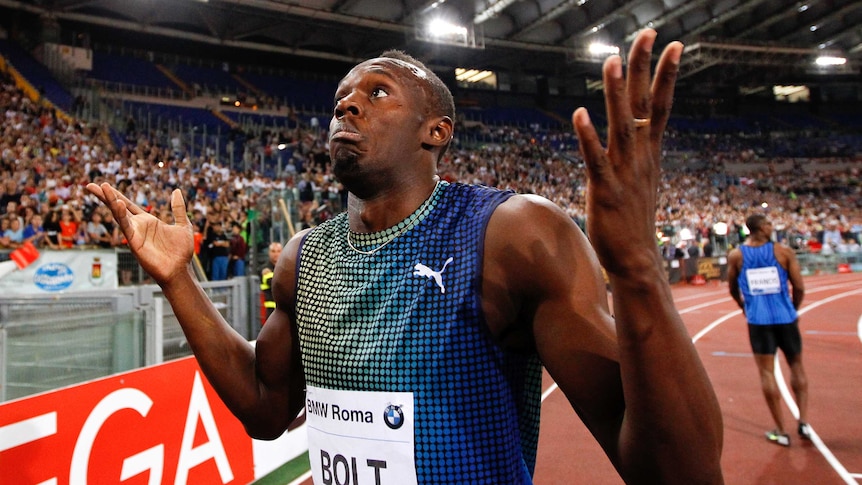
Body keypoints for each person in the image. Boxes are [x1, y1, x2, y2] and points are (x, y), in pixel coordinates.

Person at [87, 29, 723, 484]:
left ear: (435, 131)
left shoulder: (511, 235)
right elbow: (265, 406)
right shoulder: (305, 257)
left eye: (378, 92)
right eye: (342, 96)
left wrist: (638, 267)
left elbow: (678, 472)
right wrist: (179, 282)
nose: (347, 102)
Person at [727, 212, 810, 447]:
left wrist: (744, 306)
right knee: (796, 365)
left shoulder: (737, 256)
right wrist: (792, 309)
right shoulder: (783, 252)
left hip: (758, 321)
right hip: (785, 318)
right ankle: (803, 421)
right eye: (769, 223)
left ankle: (781, 430)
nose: (772, 226)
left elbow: (732, 287)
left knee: (766, 373)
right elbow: (800, 287)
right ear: (760, 228)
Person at [260, 241, 282, 323]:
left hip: (284, 310)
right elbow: (276, 284)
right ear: (269, 253)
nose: (276, 254)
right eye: (273, 251)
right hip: (269, 311)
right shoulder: (264, 268)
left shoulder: (285, 268)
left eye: (278, 251)